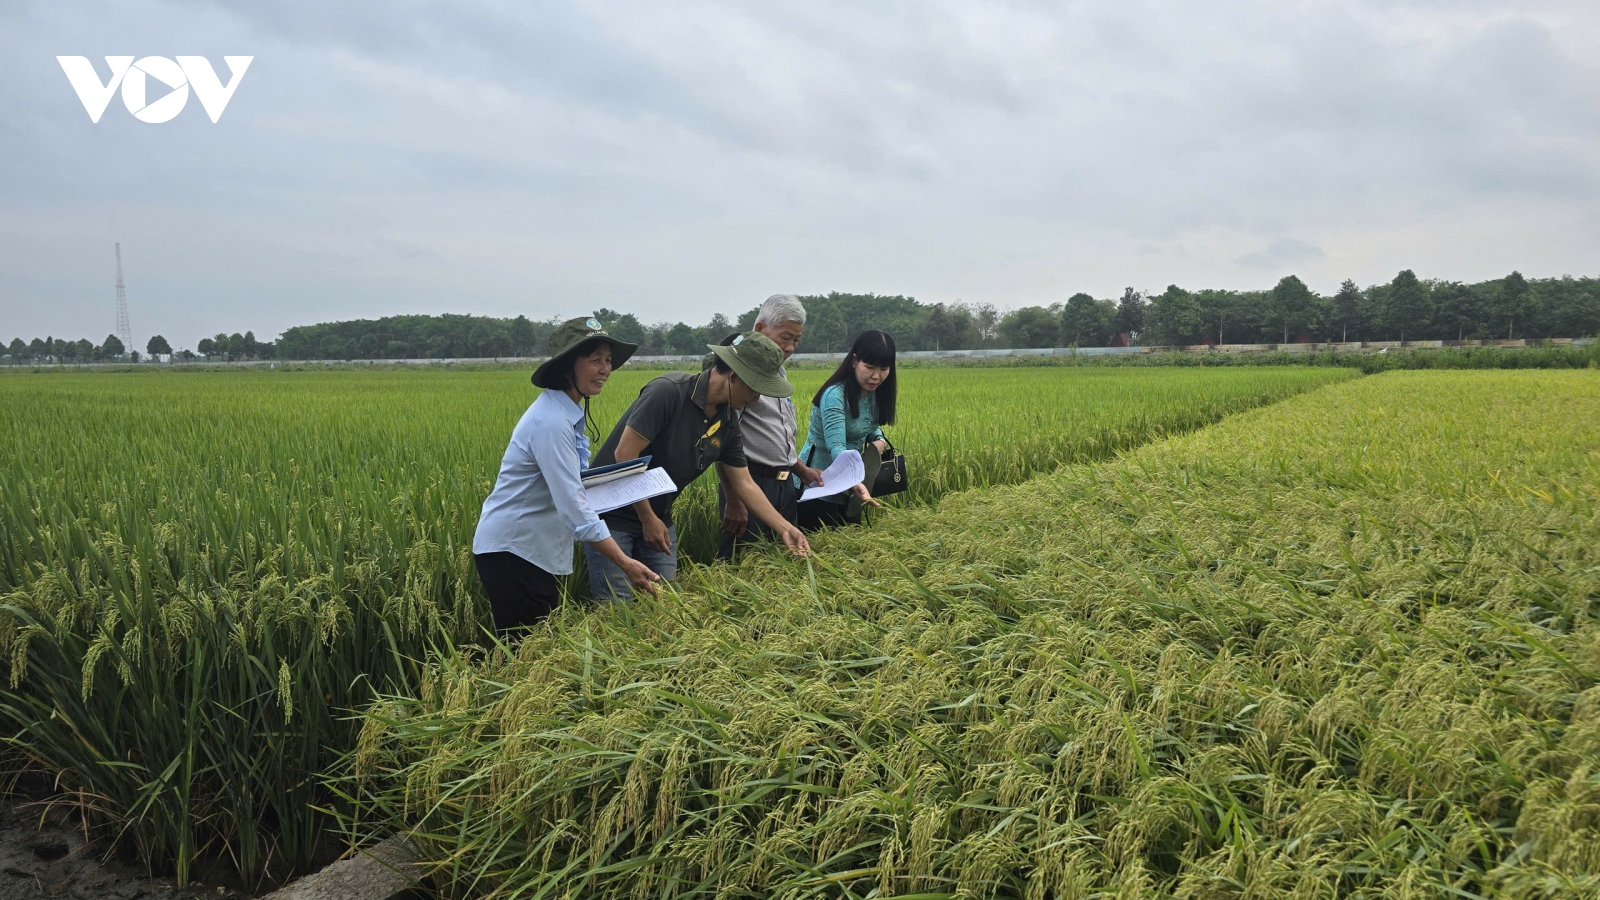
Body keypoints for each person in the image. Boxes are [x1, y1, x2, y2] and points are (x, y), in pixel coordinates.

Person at [585, 331, 811, 599]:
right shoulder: (668, 392)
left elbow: (745, 483)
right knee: (617, 609)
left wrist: (786, 528)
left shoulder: (727, 421)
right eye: (755, 389)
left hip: (660, 518)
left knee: (665, 605)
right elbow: (625, 454)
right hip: (613, 518)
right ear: (733, 376)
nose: (756, 399)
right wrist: (647, 518)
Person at [472, 317, 661, 633]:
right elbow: (574, 507)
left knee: (534, 649)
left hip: (531, 552)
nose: (605, 369)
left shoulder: (563, 415)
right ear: (567, 367)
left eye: (609, 361)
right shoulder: (551, 422)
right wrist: (624, 563)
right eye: (595, 360)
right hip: (515, 551)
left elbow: (574, 489)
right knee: (527, 654)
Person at [714, 295, 825, 560]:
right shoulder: (740, 376)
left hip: (784, 486)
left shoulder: (780, 374)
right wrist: (733, 498)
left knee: (784, 560)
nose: (790, 348)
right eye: (785, 337)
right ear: (761, 328)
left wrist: (802, 470)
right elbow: (721, 439)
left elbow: (776, 436)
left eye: (796, 340)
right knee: (744, 566)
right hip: (750, 484)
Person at [796, 329, 897, 530]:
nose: (876, 376)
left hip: (852, 487)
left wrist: (879, 440)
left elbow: (871, 428)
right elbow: (837, 448)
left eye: (884, 369)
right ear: (854, 361)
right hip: (819, 486)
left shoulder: (873, 394)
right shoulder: (834, 395)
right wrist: (854, 483)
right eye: (869, 367)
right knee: (821, 553)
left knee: (850, 550)